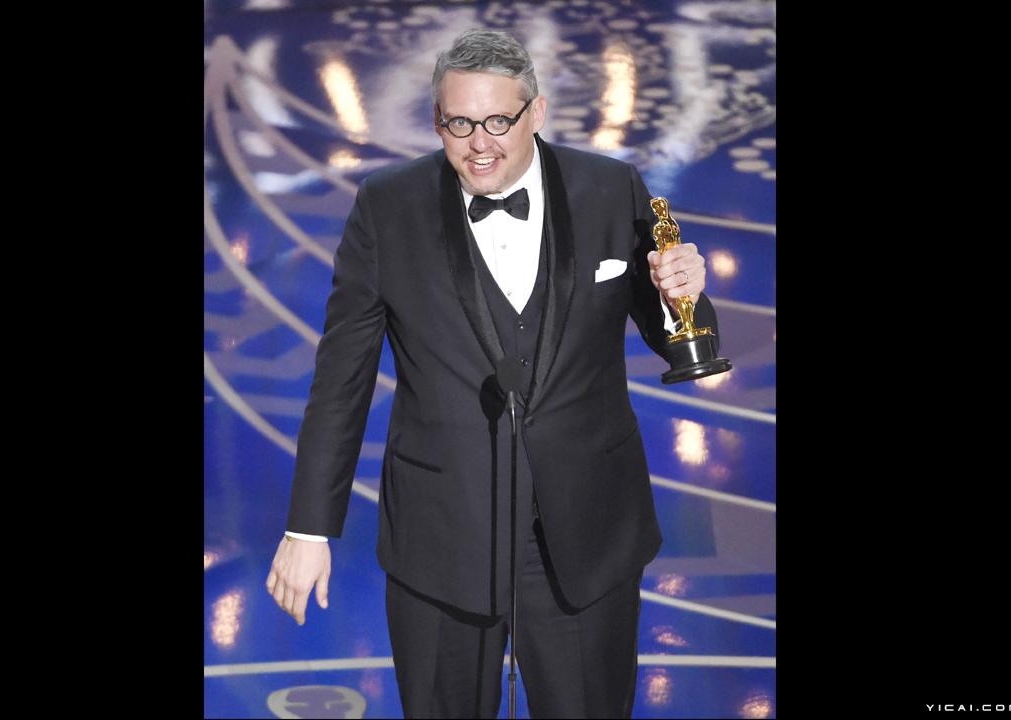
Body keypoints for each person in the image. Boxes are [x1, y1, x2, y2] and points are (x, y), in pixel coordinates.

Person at [266, 28, 718, 719]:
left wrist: (680, 296)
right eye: (460, 123)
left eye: (499, 122)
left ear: (536, 113)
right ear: (437, 121)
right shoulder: (387, 207)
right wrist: (307, 529)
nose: (479, 144)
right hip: (440, 541)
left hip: (586, 539)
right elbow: (341, 381)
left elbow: (676, 337)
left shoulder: (610, 189)